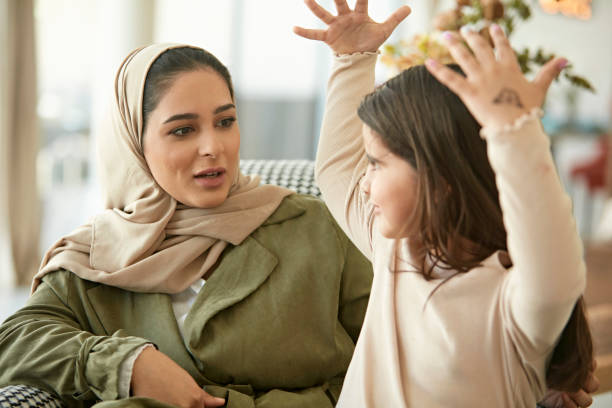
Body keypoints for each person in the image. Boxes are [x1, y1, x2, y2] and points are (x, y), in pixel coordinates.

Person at [0, 43, 373, 407]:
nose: (213, 146)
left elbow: (385, 357)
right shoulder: (95, 255)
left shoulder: (318, 227)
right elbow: (14, 342)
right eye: (183, 130)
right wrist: (125, 364)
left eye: (225, 122)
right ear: (133, 143)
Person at [294, 0, 598, 406]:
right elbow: (334, 171)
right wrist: (352, 60)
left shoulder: (514, 301)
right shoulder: (396, 248)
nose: (363, 184)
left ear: (439, 180)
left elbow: (553, 258)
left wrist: (513, 133)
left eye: (375, 164)